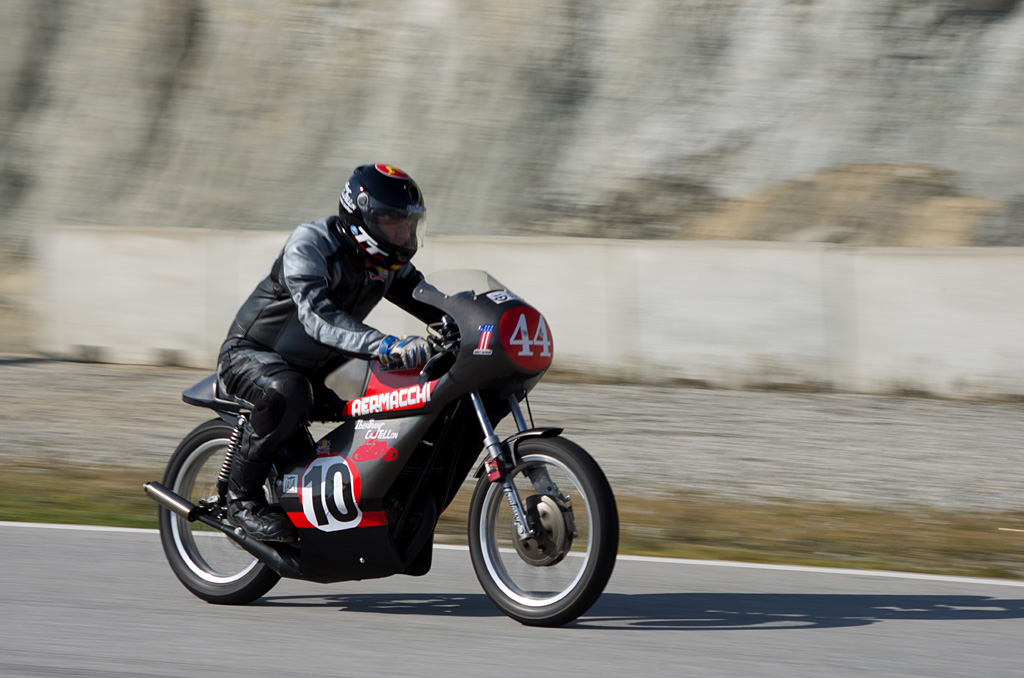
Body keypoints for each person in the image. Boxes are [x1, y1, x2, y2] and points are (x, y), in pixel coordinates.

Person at [216, 164, 442, 541]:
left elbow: (432, 301)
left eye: (408, 224)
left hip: (319, 368)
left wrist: (472, 323)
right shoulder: (311, 243)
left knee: (397, 395)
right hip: (251, 355)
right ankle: (241, 502)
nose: (403, 234)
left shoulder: (387, 264)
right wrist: (387, 345)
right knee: (289, 392)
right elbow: (317, 319)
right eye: (392, 222)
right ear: (361, 215)